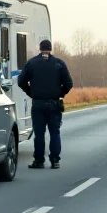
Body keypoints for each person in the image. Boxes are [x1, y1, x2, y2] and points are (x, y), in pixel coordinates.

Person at [17, 39, 73, 169]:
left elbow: (21, 82)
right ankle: (55, 160)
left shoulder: (31, 64)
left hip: (38, 104)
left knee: (39, 134)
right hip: (54, 103)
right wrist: (60, 93)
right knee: (55, 132)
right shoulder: (59, 64)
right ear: (51, 49)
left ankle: (39, 160)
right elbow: (69, 84)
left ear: (40, 48)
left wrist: (31, 92)